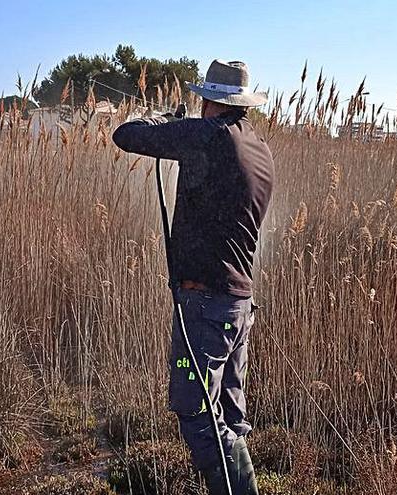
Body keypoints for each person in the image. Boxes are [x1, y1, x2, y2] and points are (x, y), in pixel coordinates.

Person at [112, 59, 274, 495]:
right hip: (238, 308)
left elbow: (126, 135)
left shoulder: (208, 136)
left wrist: (165, 120)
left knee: (195, 409)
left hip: (205, 309)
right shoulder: (258, 147)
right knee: (228, 415)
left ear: (209, 100)